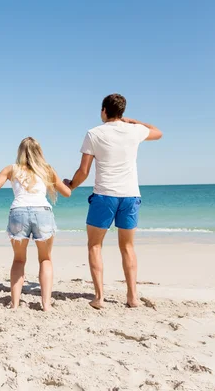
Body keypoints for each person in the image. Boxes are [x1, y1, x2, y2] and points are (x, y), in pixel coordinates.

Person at [64, 93, 163, 309]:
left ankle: (99, 297)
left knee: (94, 245)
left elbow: (84, 171)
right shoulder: (134, 130)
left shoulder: (94, 133)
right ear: (122, 112)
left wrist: (70, 185)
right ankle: (132, 297)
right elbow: (158, 132)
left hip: (105, 195)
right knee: (127, 247)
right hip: (130, 195)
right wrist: (133, 121)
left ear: (104, 110)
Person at [0, 137, 71, 311]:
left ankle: (14, 304)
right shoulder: (47, 170)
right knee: (45, 259)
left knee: (19, 260)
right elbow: (67, 193)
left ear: (20, 152)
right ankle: (46, 305)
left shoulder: (11, 169)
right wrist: (68, 183)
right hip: (42, 212)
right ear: (39, 152)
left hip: (18, 212)